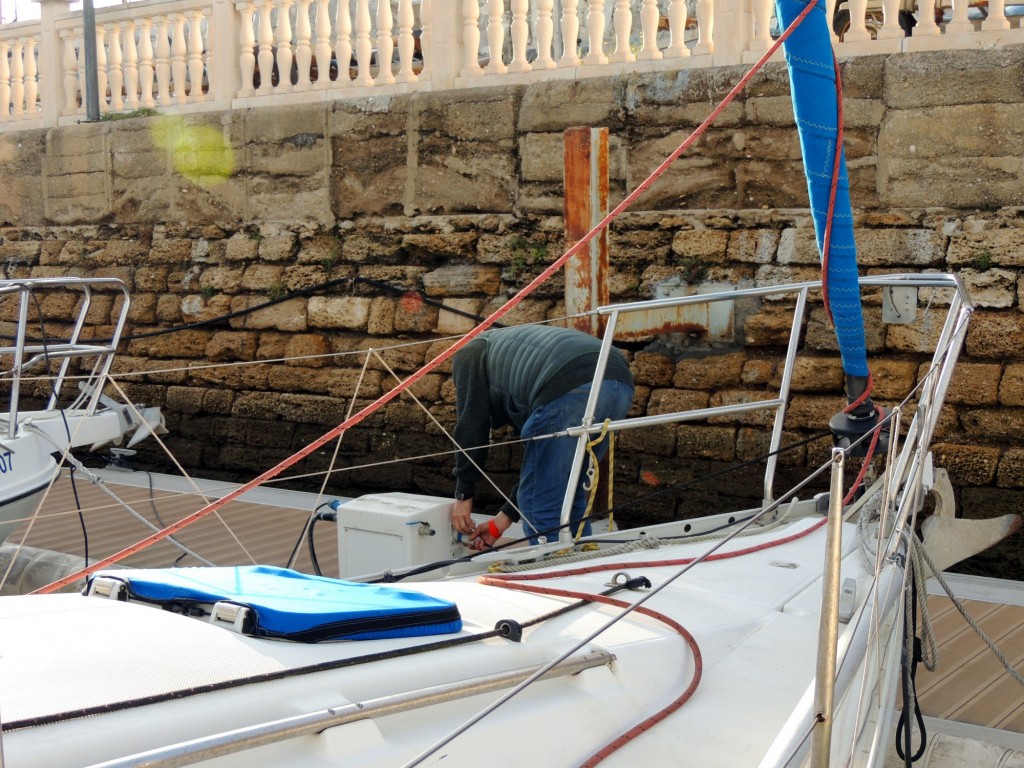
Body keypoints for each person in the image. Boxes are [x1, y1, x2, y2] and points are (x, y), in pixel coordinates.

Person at [449, 324, 634, 549]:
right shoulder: (514, 358)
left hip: (569, 384)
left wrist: (463, 495)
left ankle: (553, 567)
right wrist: (500, 522)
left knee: (542, 505)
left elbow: (471, 426)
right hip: (619, 382)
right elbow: (537, 472)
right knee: (570, 489)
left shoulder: (469, 354)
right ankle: (582, 559)